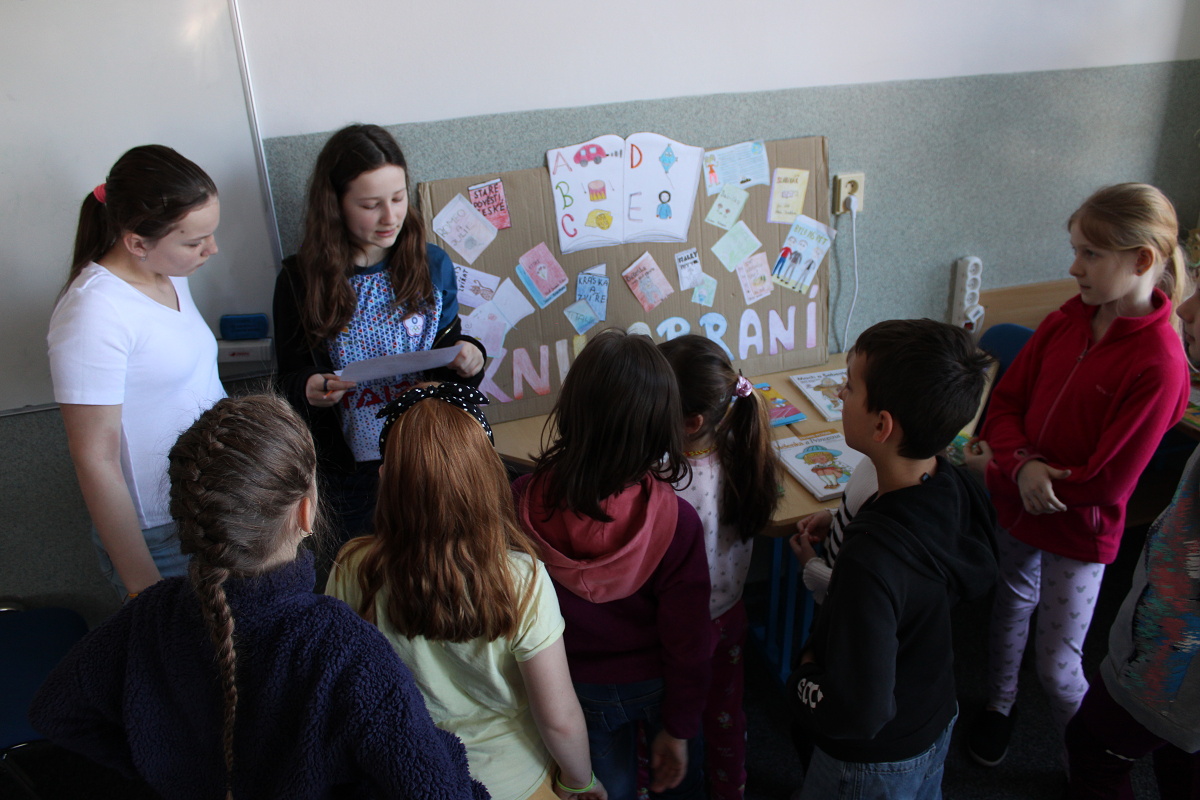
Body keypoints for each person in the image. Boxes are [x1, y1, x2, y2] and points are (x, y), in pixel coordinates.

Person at [29, 395, 488, 800]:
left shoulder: (151, 613)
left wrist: (165, 769)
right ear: (306, 512)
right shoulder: (349, 651)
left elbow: (56, 710)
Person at [967, 183, 1192, 768]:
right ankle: (999, 705)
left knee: (1058, 665)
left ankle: (1086, 767)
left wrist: (1015, 474)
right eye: (1076, 251)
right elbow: (1006, 404)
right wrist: (1023, 466)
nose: (1074, 267)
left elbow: (1106, 482)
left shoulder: (1160, 363)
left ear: (1141, 260)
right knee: (1010, 603)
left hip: (1078, 531)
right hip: (1021, 505)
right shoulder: (1065, 321)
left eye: (1090, 254)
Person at [327, 383, 606, 800]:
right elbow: (559, 718)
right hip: (515, 781)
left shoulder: (353, 566)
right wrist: (580, 781)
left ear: (385, 477)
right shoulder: (522, 578)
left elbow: (344, 682)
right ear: (489, 476)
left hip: (405, 778)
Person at [788, 319, 997, 800]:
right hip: (930, 714)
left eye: (850, 386)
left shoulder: (871, 559)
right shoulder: (947, 481)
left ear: (882, 425)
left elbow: (858, 713)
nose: (840, 393)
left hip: (869, 762)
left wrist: (802, 678)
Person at [512, 330, 711, 800]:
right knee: (678, 782)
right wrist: (679, 729)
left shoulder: (519, 502)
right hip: (655, 682)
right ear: (661, 427)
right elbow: (690, 641)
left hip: (573, 687)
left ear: (570, 410)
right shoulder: (677, 521)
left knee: (607, 788)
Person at [273, 123, 485, 545]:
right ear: (335, 205)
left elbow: (448, 350)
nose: (390, 217)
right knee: (361, 569)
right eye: (371, 205)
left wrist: (471, 356)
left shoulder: (432, 264)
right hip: (350, 473)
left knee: (442, 562)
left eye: (398, 198)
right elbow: (289, 378)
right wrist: (310, 386)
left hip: (429, 452)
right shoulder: (299, 280)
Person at [48, 145, 225, 598]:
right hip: (164, 531)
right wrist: (140, 584)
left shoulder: (170, 273)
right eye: (195, 242)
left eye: (210, 234)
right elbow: (95, 459)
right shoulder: (93, 311)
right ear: (137, 243)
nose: (212, 249)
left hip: (217, 503)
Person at [1063, 284, 1200, 799]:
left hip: (1173, 667)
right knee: (1177, 763)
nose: (1185, 307)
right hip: (1161, 648)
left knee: (1095, 752)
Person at [658, 334, 778, 800]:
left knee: (676, 713)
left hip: (680, 629)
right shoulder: (744, 449)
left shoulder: (667, 478)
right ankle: (731, 789)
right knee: (726, 712)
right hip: (730, 615)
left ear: (690, 423)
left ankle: (670, 779)